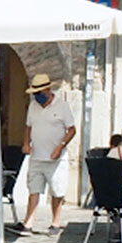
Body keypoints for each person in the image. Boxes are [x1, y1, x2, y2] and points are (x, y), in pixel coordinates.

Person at [19, 72, 76, 234]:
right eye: (35, 94)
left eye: (40, 93)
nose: (38, 96)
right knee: (34, 189)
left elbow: (71, 129)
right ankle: (28, 222)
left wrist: (60, 146)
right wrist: (26, 143)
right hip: (37, 155)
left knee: (57, 191)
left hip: (56, 158)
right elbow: (28, 126)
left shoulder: (62, 106)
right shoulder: (33, 107)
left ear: (48, 90)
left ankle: (55, 222)